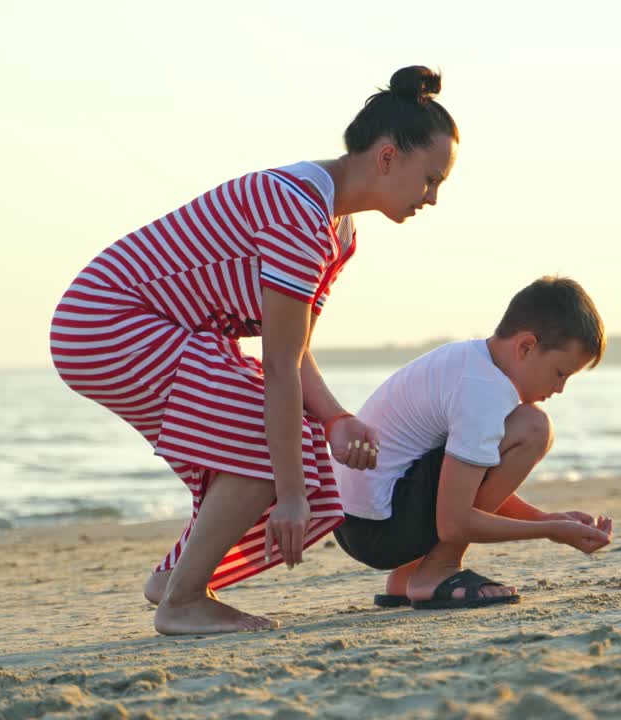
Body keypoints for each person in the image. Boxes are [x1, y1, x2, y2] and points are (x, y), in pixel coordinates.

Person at [50, 66, 458, 634]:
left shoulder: (337, 231)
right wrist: (290, 495)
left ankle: (175, 580)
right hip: (106, 323)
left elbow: (291, 351)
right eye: (430, 179)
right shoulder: (298, 216)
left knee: (289, 432)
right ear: (388, 157)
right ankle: (183, 600)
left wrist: (336, 418)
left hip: (137, 330)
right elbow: (277, 369)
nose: (432, 197)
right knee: (263, 435)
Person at [333, 276, 614, 609]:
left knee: (504, 434)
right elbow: (454, 522)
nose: (560, 389)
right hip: (381, 529)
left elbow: (467, 481)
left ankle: (406, 577)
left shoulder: (470, 361)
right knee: (534, 427)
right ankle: (438, 570)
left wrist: (543, 518)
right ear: (525, 347)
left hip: (356, 522)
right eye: (560, 373)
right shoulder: (484, 391)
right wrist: (550, 531)